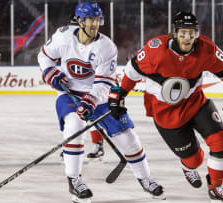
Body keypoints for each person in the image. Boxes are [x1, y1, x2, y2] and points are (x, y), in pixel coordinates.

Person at [108, 11, 223, 203]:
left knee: (221, 141)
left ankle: (216, 188)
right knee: (194, 159)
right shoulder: (156, 50)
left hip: (196, 103)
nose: (187, 38)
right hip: (167, 114)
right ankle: (188, 167)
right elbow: (132, 71)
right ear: (174, 33)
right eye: (183, 33)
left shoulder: (206, 49)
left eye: (191, 33)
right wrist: (118, 94)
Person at [37, 2, 164, 202]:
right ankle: (74, 180)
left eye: (97, 20)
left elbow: (104, 82)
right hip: (69, 93)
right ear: (80, 21)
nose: (95, 24)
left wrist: (90, 101)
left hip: (99, 96)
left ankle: (145, 179)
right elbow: (44, 56)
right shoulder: (62, 36)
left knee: (128, 138)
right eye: (90, 20)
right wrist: (50, 72)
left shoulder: (106, 46)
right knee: (74, 126)